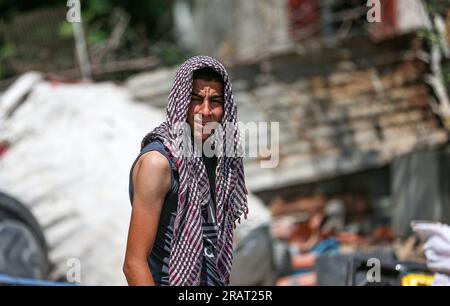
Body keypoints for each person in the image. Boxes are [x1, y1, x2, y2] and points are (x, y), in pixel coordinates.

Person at [123, 56, 248, 286]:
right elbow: (133, 264)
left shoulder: (218, 159)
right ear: (180, 102)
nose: (206, 111)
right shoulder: (158, 163)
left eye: (215, 101)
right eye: (196, 99)